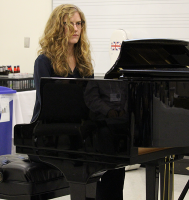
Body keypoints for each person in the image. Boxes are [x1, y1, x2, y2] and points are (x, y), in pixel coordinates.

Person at [30, 4, 125, 200]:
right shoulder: (44, 61)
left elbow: (90, 100)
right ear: (59, 27)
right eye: (70, 24)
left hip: (77, 131)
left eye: (79, 24)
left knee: (116, 159)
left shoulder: (84, 62)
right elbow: (48, 106)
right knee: (90, 155)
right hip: (48, 134)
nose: (75, 29)